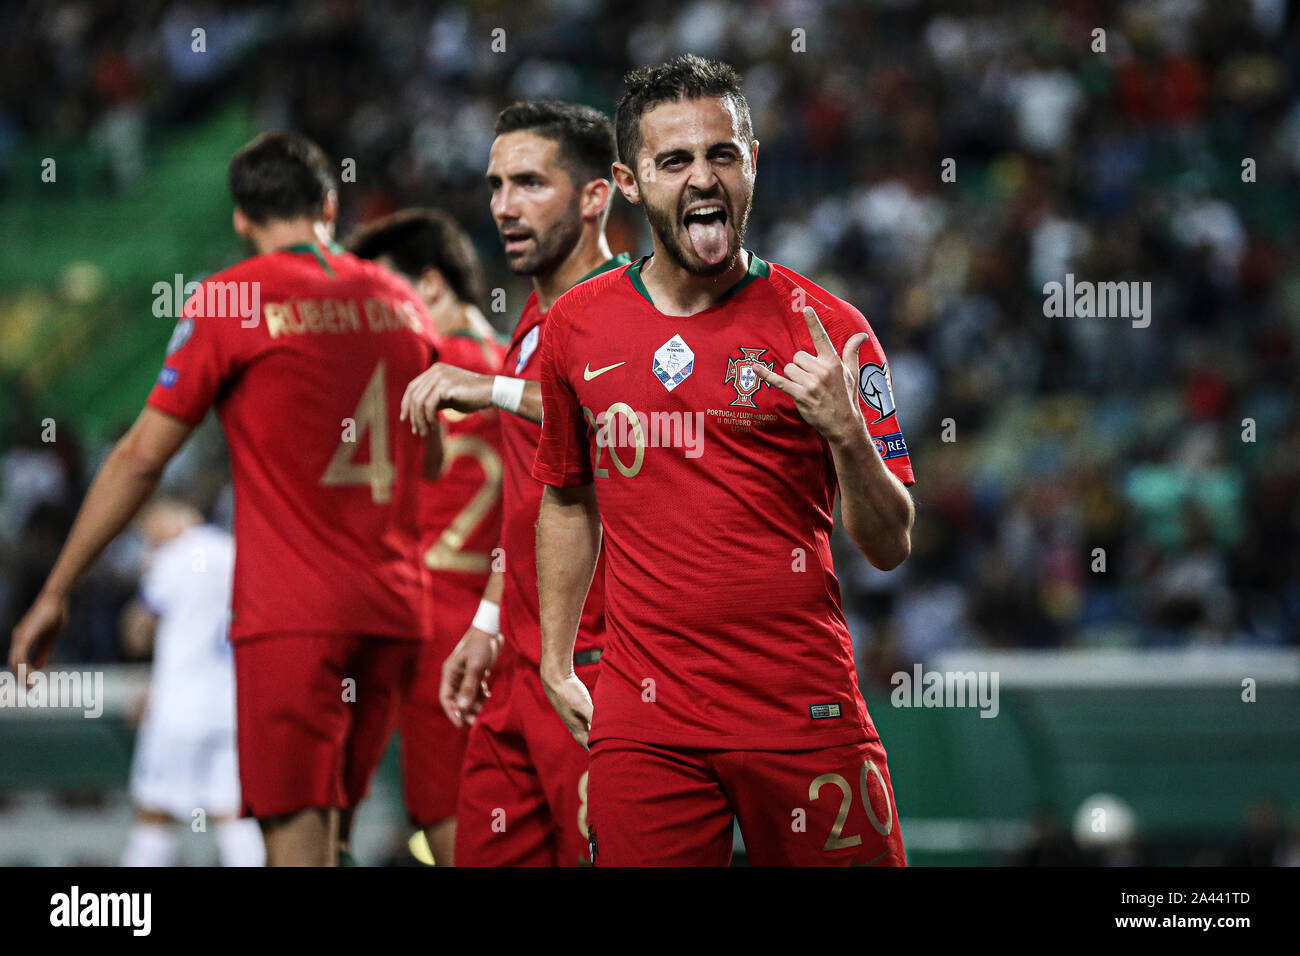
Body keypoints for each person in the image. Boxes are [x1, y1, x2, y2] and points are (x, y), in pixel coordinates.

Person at [10, 131, 442, 866]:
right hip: (396, 610)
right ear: (330, 206)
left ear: (242, 220)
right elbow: (429, 459)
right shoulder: (400, 300)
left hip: (294, 618)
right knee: (341, 835)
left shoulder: (233, 300)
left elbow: (142, 457)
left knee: (294, 846)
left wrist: (56, 589)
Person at [533, 56, 916, 866]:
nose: (703, 178)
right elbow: (567, 497)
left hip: (802, 710)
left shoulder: (831, 328)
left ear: (751, 165)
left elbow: (889, 545)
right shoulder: (576, 328)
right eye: (675, 161)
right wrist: (557, 658)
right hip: (649, 724)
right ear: (630, 182)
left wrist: (848, 434)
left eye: (723, 155)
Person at [402, 101, 628, 865]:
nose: (503, 205)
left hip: (598, 667)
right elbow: (528, 503)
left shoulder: (629, 310)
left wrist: (488, 388)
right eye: (496, 184)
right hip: (517, 668)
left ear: (596, 196)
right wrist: (490, 619)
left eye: (530, 182)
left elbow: (611, 420)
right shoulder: (531, 324)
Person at [349, 208, 506, 866]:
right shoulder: (517, 368)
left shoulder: (415, 374)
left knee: (449, 825)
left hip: (432, 632)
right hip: (512, 627)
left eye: (386, 297)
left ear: (432, 286)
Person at [120, 498, 263, 867]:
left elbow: (136, 633)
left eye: (147, 530)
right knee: (232, 812)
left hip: (178, 707)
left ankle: (129, 912)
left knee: (154, 812)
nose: (146, 538)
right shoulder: (236, 552)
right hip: (231, 707)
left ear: (169, 519)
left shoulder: (172, 558)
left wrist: (146, 576)